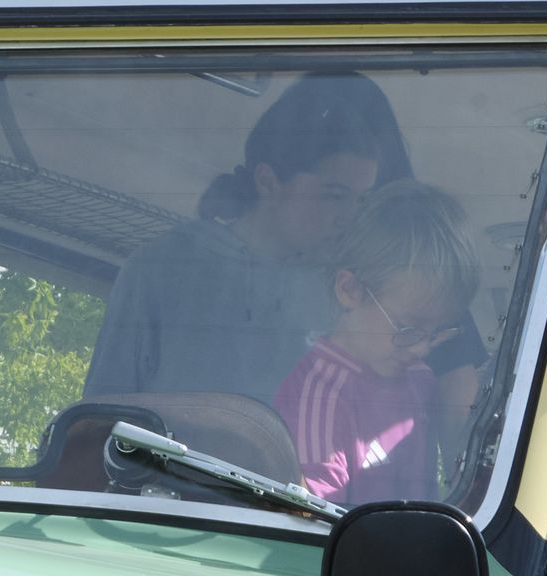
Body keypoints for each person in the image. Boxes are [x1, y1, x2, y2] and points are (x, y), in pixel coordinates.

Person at [90, 73, 415, 408]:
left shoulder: (345, 296)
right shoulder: (162, 269)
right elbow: (97, 421)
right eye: (335, 195)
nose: (350, 216)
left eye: (361, 200)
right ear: (268, 181)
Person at [278, 182, 483, 510]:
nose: (422, 349)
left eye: (436, 333)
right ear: (350, 290)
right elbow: (311, 521)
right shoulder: (320, 395)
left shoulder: (418, 379)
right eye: (409, 329)